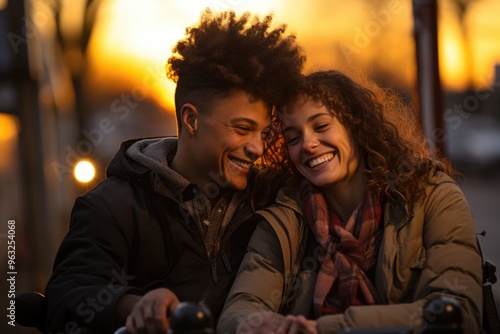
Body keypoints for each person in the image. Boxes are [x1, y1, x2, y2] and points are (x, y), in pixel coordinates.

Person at [44, 9, 305, 334]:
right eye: (242, 128)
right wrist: (135, 306)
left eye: (264, 134)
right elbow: (64, 298)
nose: (257, 148)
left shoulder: (272, 201)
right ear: (191, 120)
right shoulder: (111, 206)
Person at [217, 70, 483, 334]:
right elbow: (238, 313)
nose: (308, 144)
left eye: (321, 126)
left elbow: (458, 312)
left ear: (356, 126)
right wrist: (260, 325)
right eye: (293, 138)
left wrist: (323, 329)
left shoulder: (432, 195)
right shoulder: (285, 220)